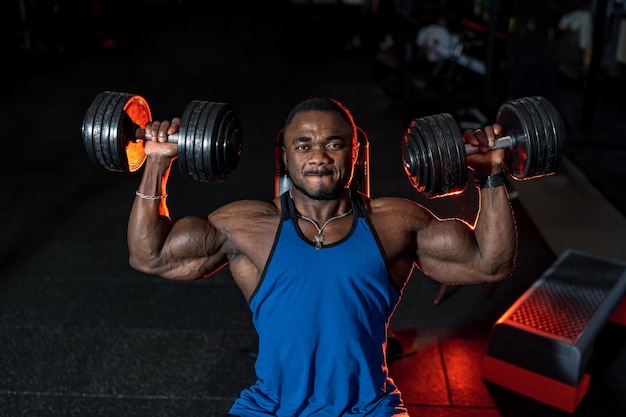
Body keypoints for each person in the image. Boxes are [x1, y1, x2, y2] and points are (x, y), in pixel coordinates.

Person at [128, 97, 517, 416]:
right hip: (271, 408)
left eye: (334, 143)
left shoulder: (395, 223)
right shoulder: (247, 226)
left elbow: (491, 262)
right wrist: (158, 163)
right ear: (285, 157)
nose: (320, 156)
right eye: (304, 145)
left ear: (355, 152)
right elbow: (151, 256)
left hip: (369, 409)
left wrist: (490, 175)